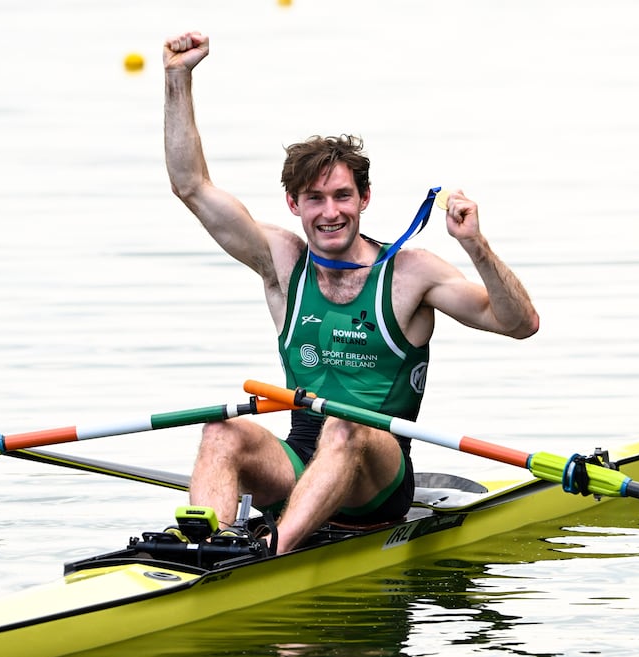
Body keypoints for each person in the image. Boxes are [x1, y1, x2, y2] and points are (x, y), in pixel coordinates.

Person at [163, 31, 539, 554]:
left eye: (342, 195)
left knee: (346, 423)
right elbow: (191, 187)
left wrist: (475, 245)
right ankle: (205, 550)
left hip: (378, 478)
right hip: (298, 460)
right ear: (294, 205)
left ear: (364, 198)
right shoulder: (281, 261)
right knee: (221, 430)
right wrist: (177, 77)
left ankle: (274, 551)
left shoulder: (411, 273)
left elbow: (519, 324)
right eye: (314, 199)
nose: (330, 211)